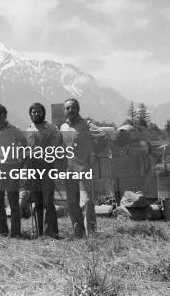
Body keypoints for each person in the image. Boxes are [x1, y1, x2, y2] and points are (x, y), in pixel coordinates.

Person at [0, 103, 27, 237]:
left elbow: (25, 146)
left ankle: (15, 232)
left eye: (0, 113)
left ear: (5, 114)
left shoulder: (15, 130)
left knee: (13, 202)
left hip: (12, 167)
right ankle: (3, 230)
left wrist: (20, 164)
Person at [60, 98, 100, 238]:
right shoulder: (63, 127)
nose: (70, 110)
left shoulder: (87, 125)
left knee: (88, 200)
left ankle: (92, 234)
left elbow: (103, 138)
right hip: (69, 169)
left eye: (73, 107)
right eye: (67, 108)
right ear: (64, 111)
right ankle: (78, 233)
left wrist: (94, 153)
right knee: (72, 202)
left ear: (78, 109)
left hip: (85, 168)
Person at [25, 103, 62, 238]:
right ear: (30, 114)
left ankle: (51, 233)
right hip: (32, 170)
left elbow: (56, 148)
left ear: (43, 113)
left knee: (48, 202)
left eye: (38, 111)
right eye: (33, 112)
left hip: (47, 169)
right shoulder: (28, 130)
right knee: (37, 202)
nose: (36, 114)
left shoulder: (52, 129)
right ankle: (39, 233)